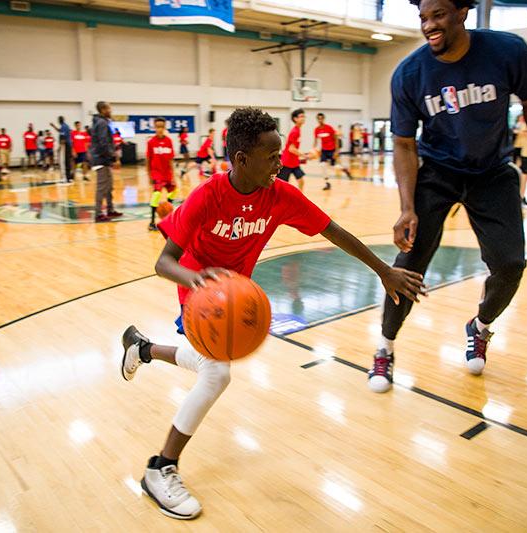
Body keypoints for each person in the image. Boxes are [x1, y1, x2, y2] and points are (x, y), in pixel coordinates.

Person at [119, 107, 426, 520]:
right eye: (271, 156)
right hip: (200, 288)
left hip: (236, 292)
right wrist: (195, 280)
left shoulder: (280, 195)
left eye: (280, 154)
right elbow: (164, 262)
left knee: (211, 364)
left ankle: (143, 348)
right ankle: (160, 468)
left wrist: (384, 270)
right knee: (217, 373)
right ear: (242, 159)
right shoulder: (207, 196)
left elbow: (334, 231)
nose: (280, 162)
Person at [368, 0, 527, 392]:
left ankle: (480, 326)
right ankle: (385, 348)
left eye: (438, 15)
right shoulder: (410, 73)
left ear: (462, 11)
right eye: (423, 18)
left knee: (510, 264)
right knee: (407, 263)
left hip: (492, 173)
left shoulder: (506, 51)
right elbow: (405, 144)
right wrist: (407, 207)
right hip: (437, 173)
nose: (429, 26)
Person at [90, 101, 122, 222]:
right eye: (109, 108)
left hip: (104, 159)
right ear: (103, 109)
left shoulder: (101, 122)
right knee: (102, 187)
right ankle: (98, 213)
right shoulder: (102, 123)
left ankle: (110, 209)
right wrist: (113, 157)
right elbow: (104, 143)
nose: (110, 111)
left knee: (109, 187)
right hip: (101, 159)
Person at [146, 117, 178, 231]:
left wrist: (173, 176)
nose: (160, 129)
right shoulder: (151, 142)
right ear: (154, 128)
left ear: (164, 128)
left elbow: (170, 160)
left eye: (162, 127)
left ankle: (169, 216)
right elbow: (148, 160)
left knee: (174, 191)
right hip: (157, 173)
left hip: (167, 173)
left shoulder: (169, 141)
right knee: (156, 195)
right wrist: (149, 175)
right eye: (157, 127)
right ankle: (152, 222)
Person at [278, 108, 314, 191]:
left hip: (294, 162)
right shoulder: (295, 131)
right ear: (295, 119)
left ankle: (300, 198)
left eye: (304, 116)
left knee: (301, 181)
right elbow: (291, 149)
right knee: (283, 184)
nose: (303, 118)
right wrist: (305, 156)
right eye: (301, 116)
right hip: (287, 162)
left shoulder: (298, 130)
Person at [313, 112, 351, 191]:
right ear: (317, 119)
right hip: (324, 150)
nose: (320, 120)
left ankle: (344, 169)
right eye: (318, 119)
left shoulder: (329, 128)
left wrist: (336, 151)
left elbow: (336, 139)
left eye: (321, 118)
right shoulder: (316, 130)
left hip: (331, 150)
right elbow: (316, 141)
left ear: (323, 119)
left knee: (333, 166)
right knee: (322, 165)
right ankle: (327, 183)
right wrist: (313, 149)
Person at [51, 116, 73, 182]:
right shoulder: (65, 126)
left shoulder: (64, 126)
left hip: (66, 145)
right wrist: (53, 126)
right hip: (68, 145)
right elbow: (60, 131)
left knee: (65, 161)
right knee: (67, 161)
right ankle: (68, 177)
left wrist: (59, 147)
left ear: (59, 120)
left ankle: (67, 177)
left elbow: (63, 137)